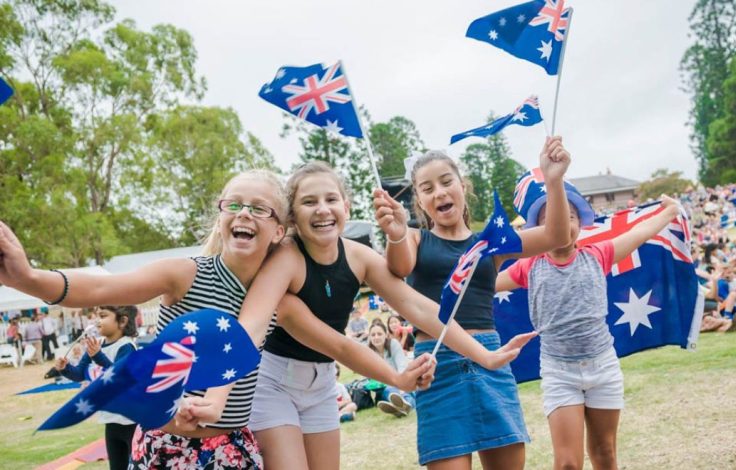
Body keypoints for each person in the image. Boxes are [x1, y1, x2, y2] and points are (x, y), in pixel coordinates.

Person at [0, 169, 435, 470]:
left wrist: (398, 379)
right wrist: (29, 278)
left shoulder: (277, 300)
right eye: (235, 205)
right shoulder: (185, 273)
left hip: (233, 448)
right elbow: (100, 288)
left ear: (279, 230)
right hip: (166, 446)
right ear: (222, 214)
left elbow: (340, 346)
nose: (245, 213)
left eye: (260, 209)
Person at [190, 161, 533, 470]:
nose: (322, 209)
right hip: (274, 382)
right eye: (309, 202)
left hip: (322, 383)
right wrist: (217, 395)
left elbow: (419, 307)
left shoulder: (359, 256)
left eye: (331, 199)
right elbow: (252, 326)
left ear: (346, 206)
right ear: (291, 217)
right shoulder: (287, 258)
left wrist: (484, 355)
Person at [372, 137, 572, 469]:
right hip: (437, 369)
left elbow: (556, 236)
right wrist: (395, 233)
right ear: (419, 201)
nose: (439, 192)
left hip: (489, 360)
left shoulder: (492, 241)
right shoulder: (415, 238)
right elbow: (400, 267)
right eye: (427, 188)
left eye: (446, 181)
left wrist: (554, 181)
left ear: (463, 186)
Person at [496, 190, 684, 470]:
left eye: (569, 216)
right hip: (559, 373)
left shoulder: (599, 254)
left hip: (603, 368)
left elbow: (640, 233)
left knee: (605, 453)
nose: (562, 223)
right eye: (550, 219)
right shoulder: (529, 266)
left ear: (580, 224)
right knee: (568, 464)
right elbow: (484, 285)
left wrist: (670, 211)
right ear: (539, 231)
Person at [55, 306, 139, 470]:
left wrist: (98, 356)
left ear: (122, 321)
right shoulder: (97, 345)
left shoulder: (126, 347)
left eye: (103, 316)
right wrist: (64, 368)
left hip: (131, 422)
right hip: (111, 419)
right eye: (96, 316)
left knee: (136, 466)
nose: (97, 321)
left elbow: (119, 377)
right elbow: (80, 373)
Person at [367, 320, 415, 418]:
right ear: (370, 337)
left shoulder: (393, 344)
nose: (376, 337)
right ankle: (403, 406)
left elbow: (402, 367)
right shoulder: (368, 351)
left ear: (386, 335)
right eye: (373, 335)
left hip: (401, 382)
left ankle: (401, 406)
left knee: (406, 393)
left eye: (379, 334)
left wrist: (401, 386)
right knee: (388, 390)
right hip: (383, 387)